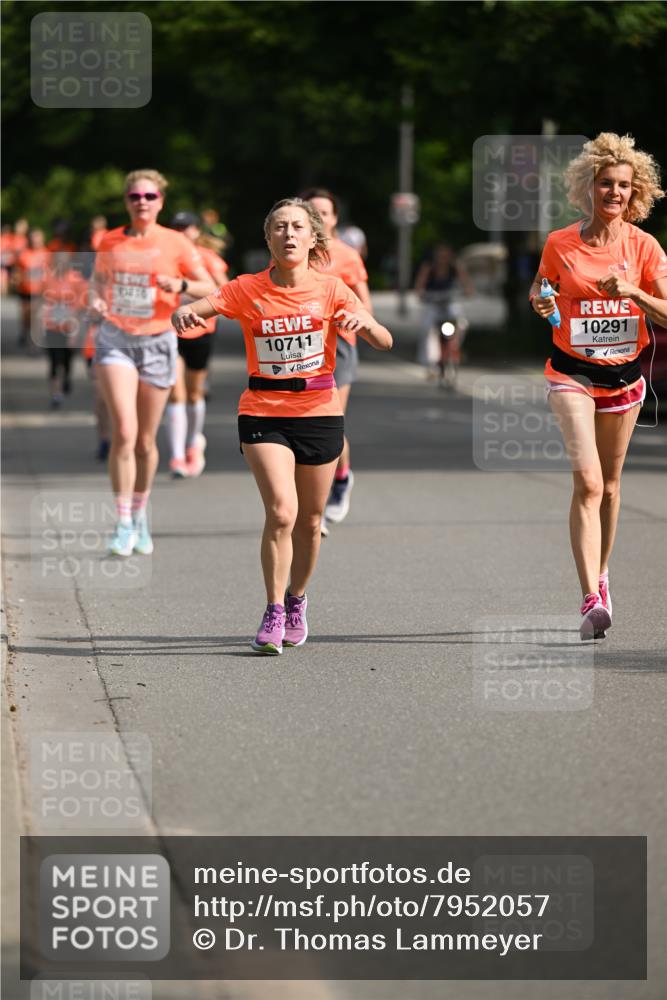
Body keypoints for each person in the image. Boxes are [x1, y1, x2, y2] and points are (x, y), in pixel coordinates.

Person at [172, 198, 393, 654]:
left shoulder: (332, 289)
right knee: (281, 512)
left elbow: (384, 340)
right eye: (279, 227)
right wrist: (183, 314)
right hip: (263, 409)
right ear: (268, 238)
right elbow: (199, 308)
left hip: (319, 411)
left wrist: (365, 324)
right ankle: (273, 609)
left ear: (312, 238)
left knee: (309, 522)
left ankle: (296, 600)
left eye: (297, 227)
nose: (288, 234)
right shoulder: (247, 288)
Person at [530, 132, 667, 639]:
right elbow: (542, 287)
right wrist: (541, 301)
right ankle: (590, 596)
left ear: (636, 192)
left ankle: (602, 573)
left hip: (624, 378)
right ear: (588, 187)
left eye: (623, 185)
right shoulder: (559, 243)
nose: (614, 192)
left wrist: (633, 291)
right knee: (588, 482)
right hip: (571, 372)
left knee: (610, 486)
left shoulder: (644, 247)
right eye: (605, 183)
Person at [89, 169, 216, 557]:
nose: (141, 202)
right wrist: (96, 300)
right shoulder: (110, 241)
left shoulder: (175, 242)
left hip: (158, 341)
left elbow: (210, 286)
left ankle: (140, 513)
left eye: (149, 196)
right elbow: (98, 283)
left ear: (160, 202)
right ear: (126, 202)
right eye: (135, 196)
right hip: (116, 340)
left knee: (145, 440)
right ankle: (123, 522)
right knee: (125, 432)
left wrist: (180, 286)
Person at [302, 188, 372, 532]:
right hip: (301, 348)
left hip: (339, 347)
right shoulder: (291, 252)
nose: (318, 218)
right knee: (303, 423)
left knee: (329, 420)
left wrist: (352, 318)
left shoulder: (346, 255)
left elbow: (365, 306)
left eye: (324, 213)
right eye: (310, 212)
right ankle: (319, 493)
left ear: (334, 219)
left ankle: (336, 484)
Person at [165, 212, 229, 478]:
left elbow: (226, 292)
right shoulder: (164, 257)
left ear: (196, 230)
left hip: (201, 331)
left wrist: (190, 291)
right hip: (169, 331)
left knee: (194, 393)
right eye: (177, 227)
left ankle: (193, 442)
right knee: (175, 393)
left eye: (187, 227)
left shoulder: (207, 257)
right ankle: (177, 457)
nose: (182, 232)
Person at [414, 244, 475, 373]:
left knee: (462, 323)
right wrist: (422, 294)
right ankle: (429, 360)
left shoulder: (455, 267)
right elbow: (419, 286)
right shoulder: (429, 267)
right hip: (433, 304)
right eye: (440, 256)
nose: (443, 259)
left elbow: (467, 284)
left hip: (449, 303)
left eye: (445, 256)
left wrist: (468, 291)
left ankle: (455, 348)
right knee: (427, 328)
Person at [40, 251, 88, 408]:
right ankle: (56, 393)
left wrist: (75, 331)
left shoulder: (76, 279)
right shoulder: (48, 278)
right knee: (54, 360)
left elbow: (80, 306)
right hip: (51, 326)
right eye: (57, 261)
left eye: (64, 261)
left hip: (69, 327)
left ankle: (67, 378)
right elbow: (42, 302)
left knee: (67, 359)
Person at [14, 228, 49, 349]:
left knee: (37, 315)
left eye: (38, 237)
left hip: (40, 291)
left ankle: (34, 340)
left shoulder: (48, 254)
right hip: (25, 290)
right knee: (26, 316)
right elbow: (17, 271)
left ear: (42, 239)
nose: (36, 240)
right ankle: (24, 332)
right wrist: (17, 280)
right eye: (33, 237)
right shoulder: (24, 254)